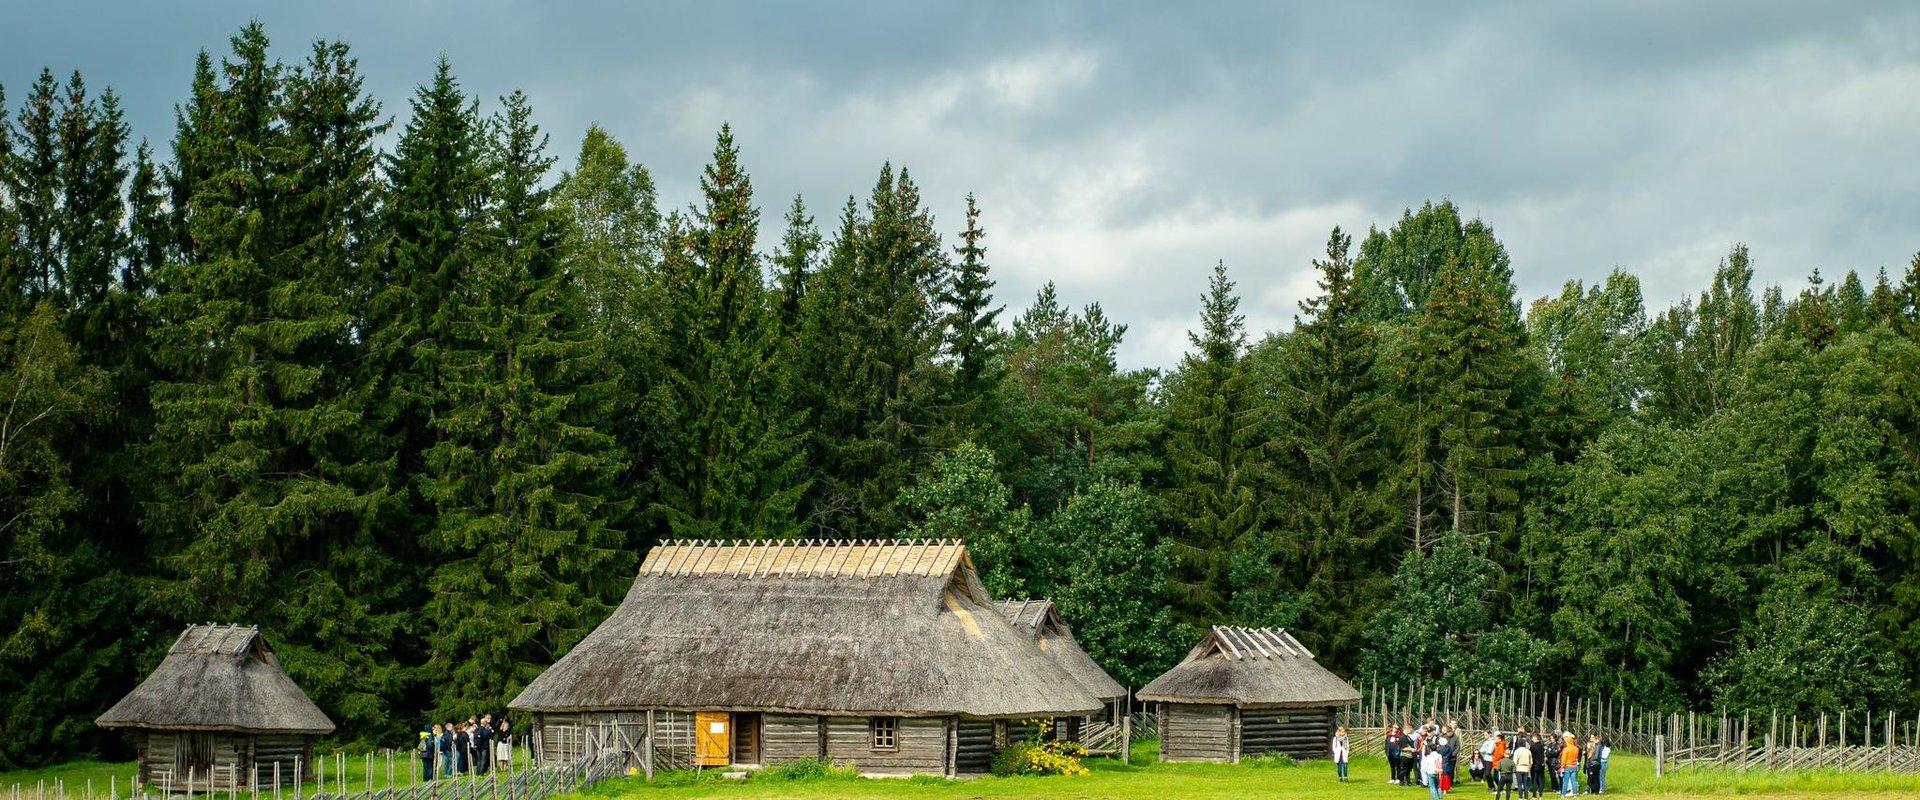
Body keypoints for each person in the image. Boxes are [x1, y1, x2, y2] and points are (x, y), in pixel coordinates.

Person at [1438, 725, 1457, 793]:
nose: (1448, 733)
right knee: (1444, 774)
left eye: (1449, 732)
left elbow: (1457, 747)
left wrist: (1452, 754)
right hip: (1445, 758)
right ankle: (1443, 786)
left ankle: (1450, 784)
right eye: (1447, 732)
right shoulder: (1444, 737)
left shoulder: (1455, 738)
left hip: (1452, 757)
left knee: (1451, 771)